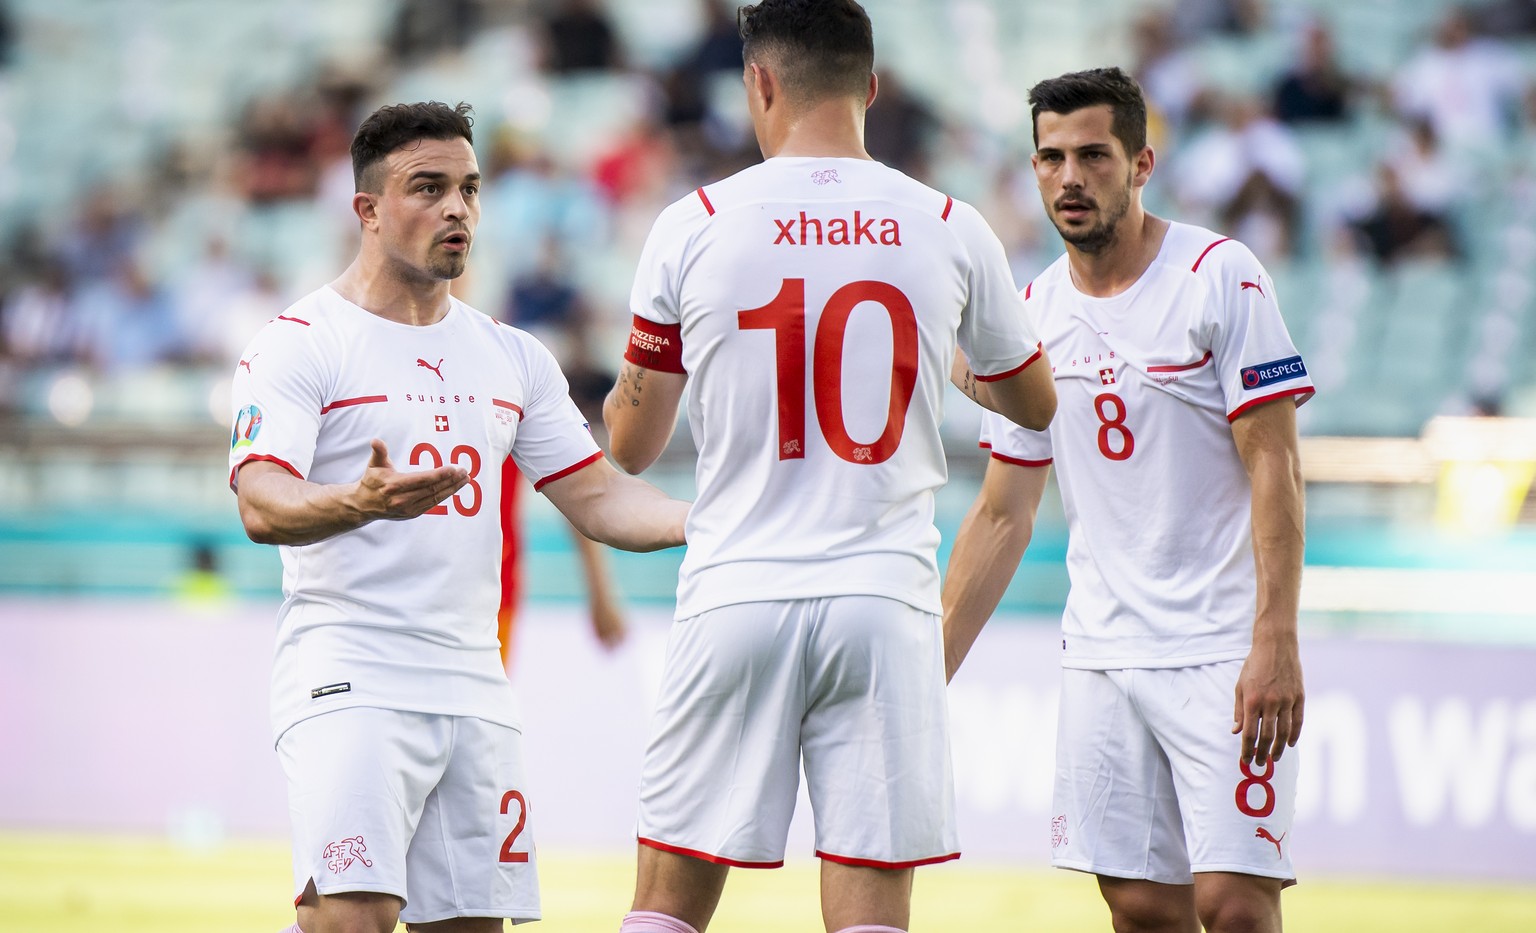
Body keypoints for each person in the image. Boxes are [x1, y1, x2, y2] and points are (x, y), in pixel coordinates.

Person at [602, 3, 1057, 932]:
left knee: (668, 907)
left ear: (759, 84)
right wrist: (942, 359)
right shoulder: (946, 222)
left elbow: (631, 447)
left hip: (738, 587)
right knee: (870, 915)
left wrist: (626, 394)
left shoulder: (692, 223)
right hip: (884, 603)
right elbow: (1038, 404)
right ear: (872, 88)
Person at [227, 100, 689, 933]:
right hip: (349, 671)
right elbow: (261, 498)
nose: (457, 209)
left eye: (469, 189)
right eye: (428, 187)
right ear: (366, 210)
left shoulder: (513, 356)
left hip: (478, 684)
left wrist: (711, 522)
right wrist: (354, 502)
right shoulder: (299, 342)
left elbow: (598, 495)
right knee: (352, 917)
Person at [943, 67, 1312, 933]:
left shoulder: (1221, 276)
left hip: (1222, 647)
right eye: (1051, 158)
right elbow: (1003, 511)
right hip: (1103, 654)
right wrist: (929, 667)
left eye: (1093, 156)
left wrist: (1276, 640)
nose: (1070, 178)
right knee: (1142, 909)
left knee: (1234, 907)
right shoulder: (1027, 314)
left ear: (1141, 163)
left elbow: (1277, 468)